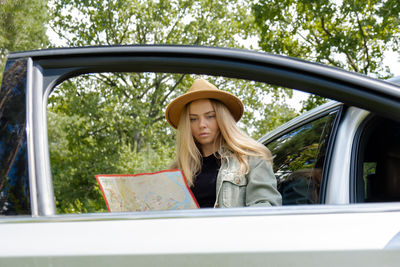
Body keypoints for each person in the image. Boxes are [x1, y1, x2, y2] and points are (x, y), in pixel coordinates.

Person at [165, 78, 282, 208]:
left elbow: (266, 208)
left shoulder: (252, 159)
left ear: (222, 118)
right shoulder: (177, 171)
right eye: (193, 119)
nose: (202, 125)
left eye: (210, 116)